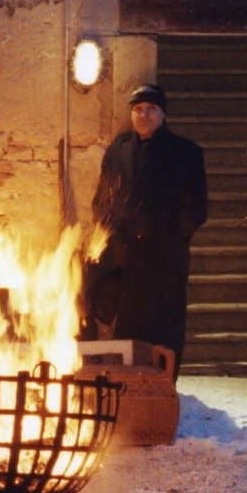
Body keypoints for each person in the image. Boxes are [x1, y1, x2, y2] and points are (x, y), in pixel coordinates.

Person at [84, 84, 208, 379]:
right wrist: (107, 233)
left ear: (163, 114)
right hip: (122, 257)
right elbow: (102, 197)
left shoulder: (185, 153)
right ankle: (128, 386)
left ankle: (163, 386)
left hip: (164, 258)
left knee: (164, 323)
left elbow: (197, 207)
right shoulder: (119, 149)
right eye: (138, 109)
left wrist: (169, 235)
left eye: (151, 109)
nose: (144, 115)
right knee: (126, 323)